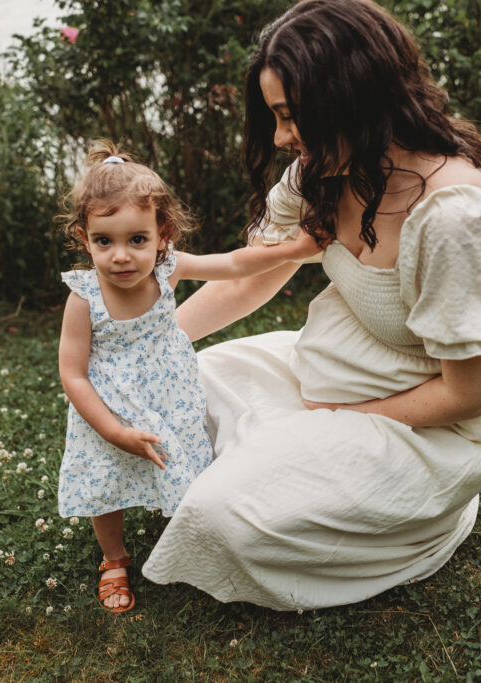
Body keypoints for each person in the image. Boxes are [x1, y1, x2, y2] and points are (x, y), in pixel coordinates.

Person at [141, 0, 481, 610]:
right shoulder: (323, 172)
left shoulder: (456, 218)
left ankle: (423, 529)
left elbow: (476, 394)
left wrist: (349, 417)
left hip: (428, 423)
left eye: (292, 115)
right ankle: (293, 460)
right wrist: (149, 346)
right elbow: (255, 274)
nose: (280, 138)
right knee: (172, 386)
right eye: (276, 116)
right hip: (331, 370)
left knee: (226, 515)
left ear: (354, 94)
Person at [56, 141, 322, 614]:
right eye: (104, 241)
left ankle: (192, 533)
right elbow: (73, 374)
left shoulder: (169, 268)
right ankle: (113, 558)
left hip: (169, 395)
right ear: (84, 236)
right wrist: (112, 429)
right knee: (106, 481)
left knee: (182, 461)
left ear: (163, 234)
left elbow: (237, 264)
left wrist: (299, 247)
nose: (121, 256)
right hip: (108, 405)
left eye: (136, 239)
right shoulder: (84, 297)